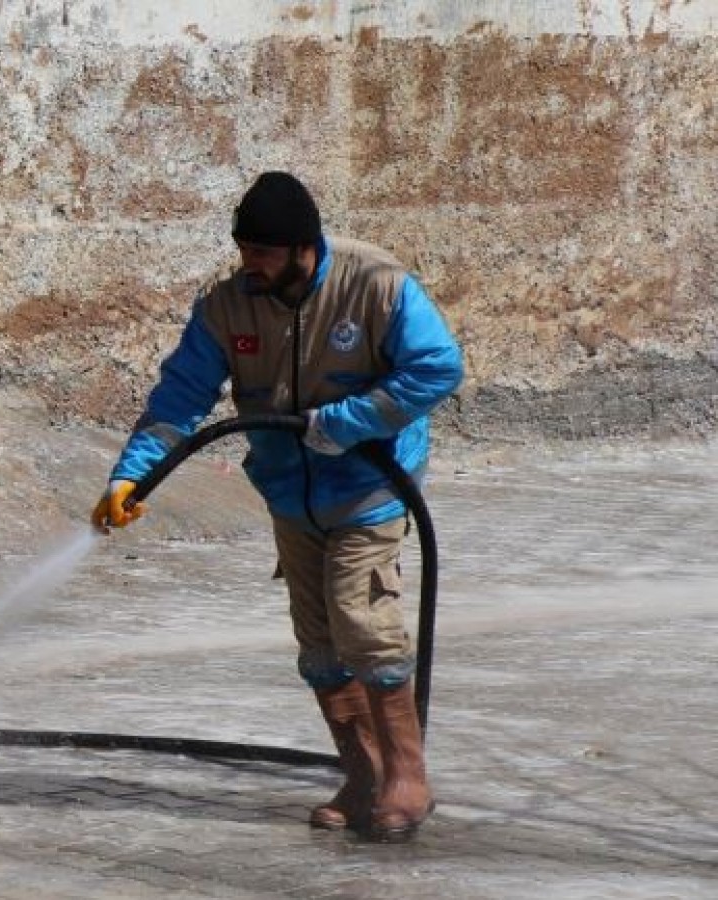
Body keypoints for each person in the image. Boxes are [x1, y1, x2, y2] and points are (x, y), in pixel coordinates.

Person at [89, 171, 464, 843]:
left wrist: (345, 422)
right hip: (289, 492)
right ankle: (361, 776)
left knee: (364, 623)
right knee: (319, 645)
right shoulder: (227, 308)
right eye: (242, 252)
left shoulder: (374, 285)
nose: (248, 267)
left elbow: (436, 369)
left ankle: (407, 778)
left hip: (369, 487)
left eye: (260, 253)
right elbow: (179, 400)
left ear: (301, 248)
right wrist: (130, 480)